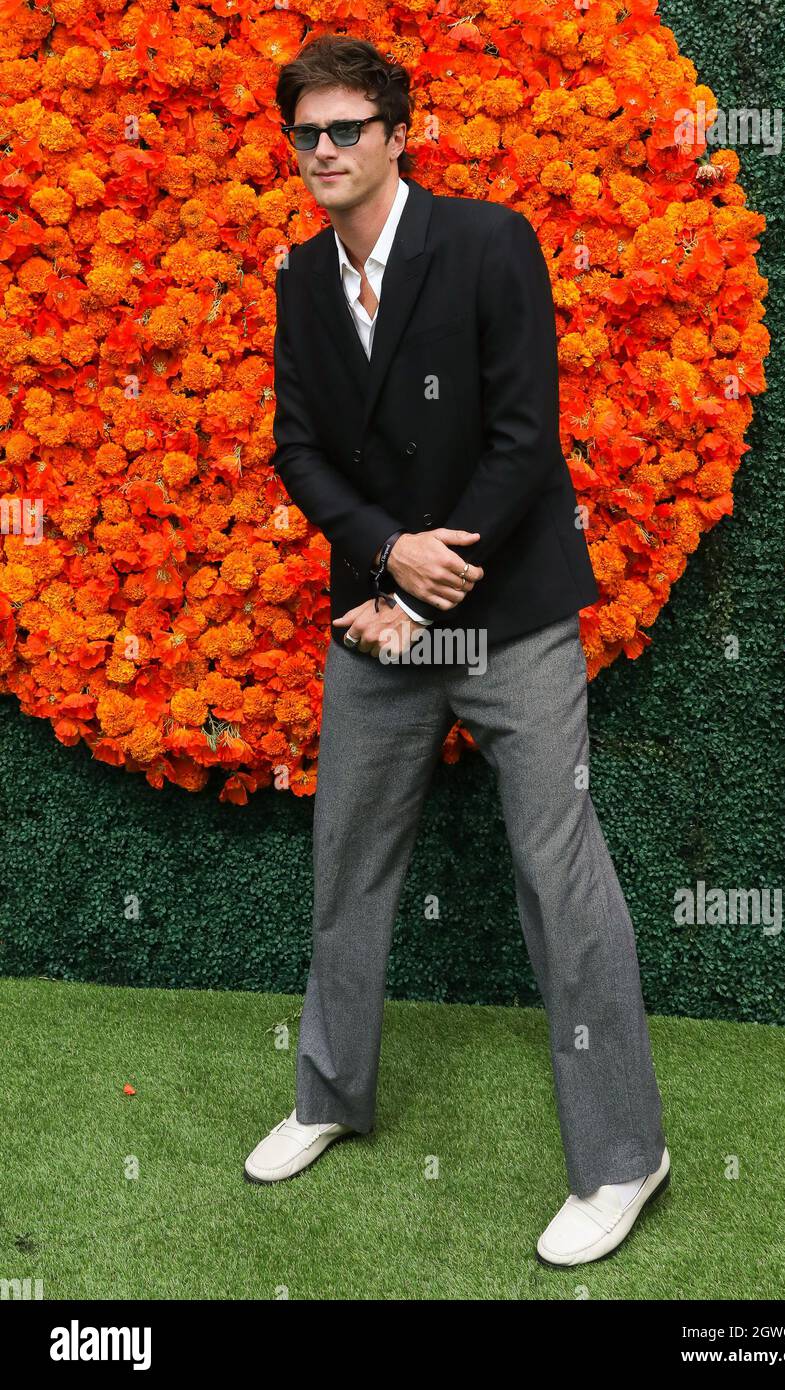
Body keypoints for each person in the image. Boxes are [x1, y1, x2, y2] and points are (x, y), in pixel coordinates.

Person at [244, 33, 670, 1266]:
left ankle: (622, 1156)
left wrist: (432, 589)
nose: (323, 152)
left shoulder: (488, 243)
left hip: (508, 614)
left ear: (395, 133)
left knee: (560, 877)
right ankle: (326, 1094)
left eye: (345, 130)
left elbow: (526, 437)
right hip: (377, 614)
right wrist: (387, 559)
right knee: (346, 865)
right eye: (306, 134)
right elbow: (300, 450)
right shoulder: (296, 278)